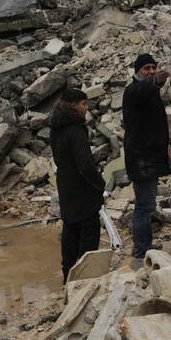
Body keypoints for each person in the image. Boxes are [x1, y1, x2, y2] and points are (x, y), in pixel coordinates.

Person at [49, 88, 104, 282]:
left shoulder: (55, 127)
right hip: (82, 188)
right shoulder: (76, 129)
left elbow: (57, 158)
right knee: (89, 232)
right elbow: (86, 165)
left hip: (65, 184)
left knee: (70, 230)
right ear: (73, 105)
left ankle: (68, 277)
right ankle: (84, 279)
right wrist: (100, 184)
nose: (86, 108)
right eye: (84, 104)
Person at [121, 53, 171, 263]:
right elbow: (142, 91)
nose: (150, 71)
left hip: (149, 158)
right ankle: (141, 249)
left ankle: (145, 244)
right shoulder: (133, 91)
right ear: (137, 71)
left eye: (153, 68)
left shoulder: (148, 92)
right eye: (146, 68)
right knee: (144, 206)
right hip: (142, 160)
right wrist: (156, 81)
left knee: (148, 204)